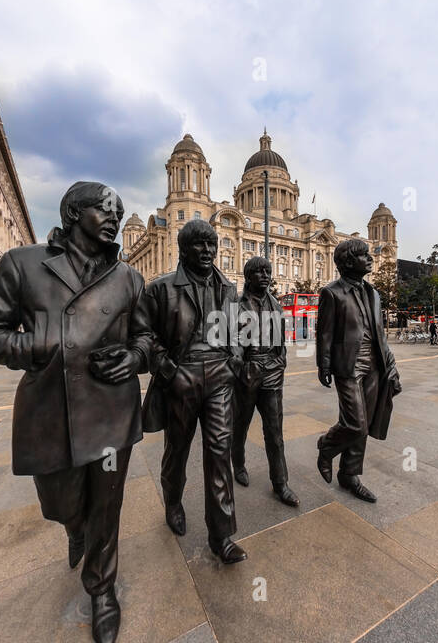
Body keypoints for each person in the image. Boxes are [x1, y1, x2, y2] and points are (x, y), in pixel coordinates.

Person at [0, 180, 147, 643]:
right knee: (62, 503)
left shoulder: (128, 277)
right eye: (104, 209)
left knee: (107, 506)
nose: (115, 218)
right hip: (51, 409)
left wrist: (135, 357)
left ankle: (102, 590)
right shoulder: (23, 264)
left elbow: (147, 337)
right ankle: (73, 529)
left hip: (112, 409)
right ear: (72, 212)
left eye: (120, 212)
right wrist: (41, 346)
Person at [132, 218, 247, 564]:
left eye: (212, 244)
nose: (208, 251)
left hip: (219, 377)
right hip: (181, 378)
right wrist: (169, 370)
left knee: (219, 453)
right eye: (199, 244)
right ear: (183, 249)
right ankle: (173, 501)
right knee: (177, 451)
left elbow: (239, 332)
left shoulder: (227, 289)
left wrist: (234, 363)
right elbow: (144, 335)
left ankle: (222, 535)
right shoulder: (160, 289)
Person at [315, 239, 402, 503]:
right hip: (348, 364)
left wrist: (391, 363)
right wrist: (324, 364)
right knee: (355, 423)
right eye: (363, 255)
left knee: (365, 423)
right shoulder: (332, 293)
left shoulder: (374, 293)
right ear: (348, 261)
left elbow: (380, 333)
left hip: (375, 363)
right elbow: (325, 333)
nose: (370, 258)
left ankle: (350, 475)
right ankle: (326, 447)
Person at [231, 256, 299, 507]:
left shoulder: (276, 304)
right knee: (240, 425)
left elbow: (281, 339)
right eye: (259, 271)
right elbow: (231, 340)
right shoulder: (235, 304)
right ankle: (238, 463)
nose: (265, 275)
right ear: (248, 276)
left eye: (267, 271)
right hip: (247, 372)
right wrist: (240, 366)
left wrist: (281, 361)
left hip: (272, 372)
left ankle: (281, 483)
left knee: (274, 432)